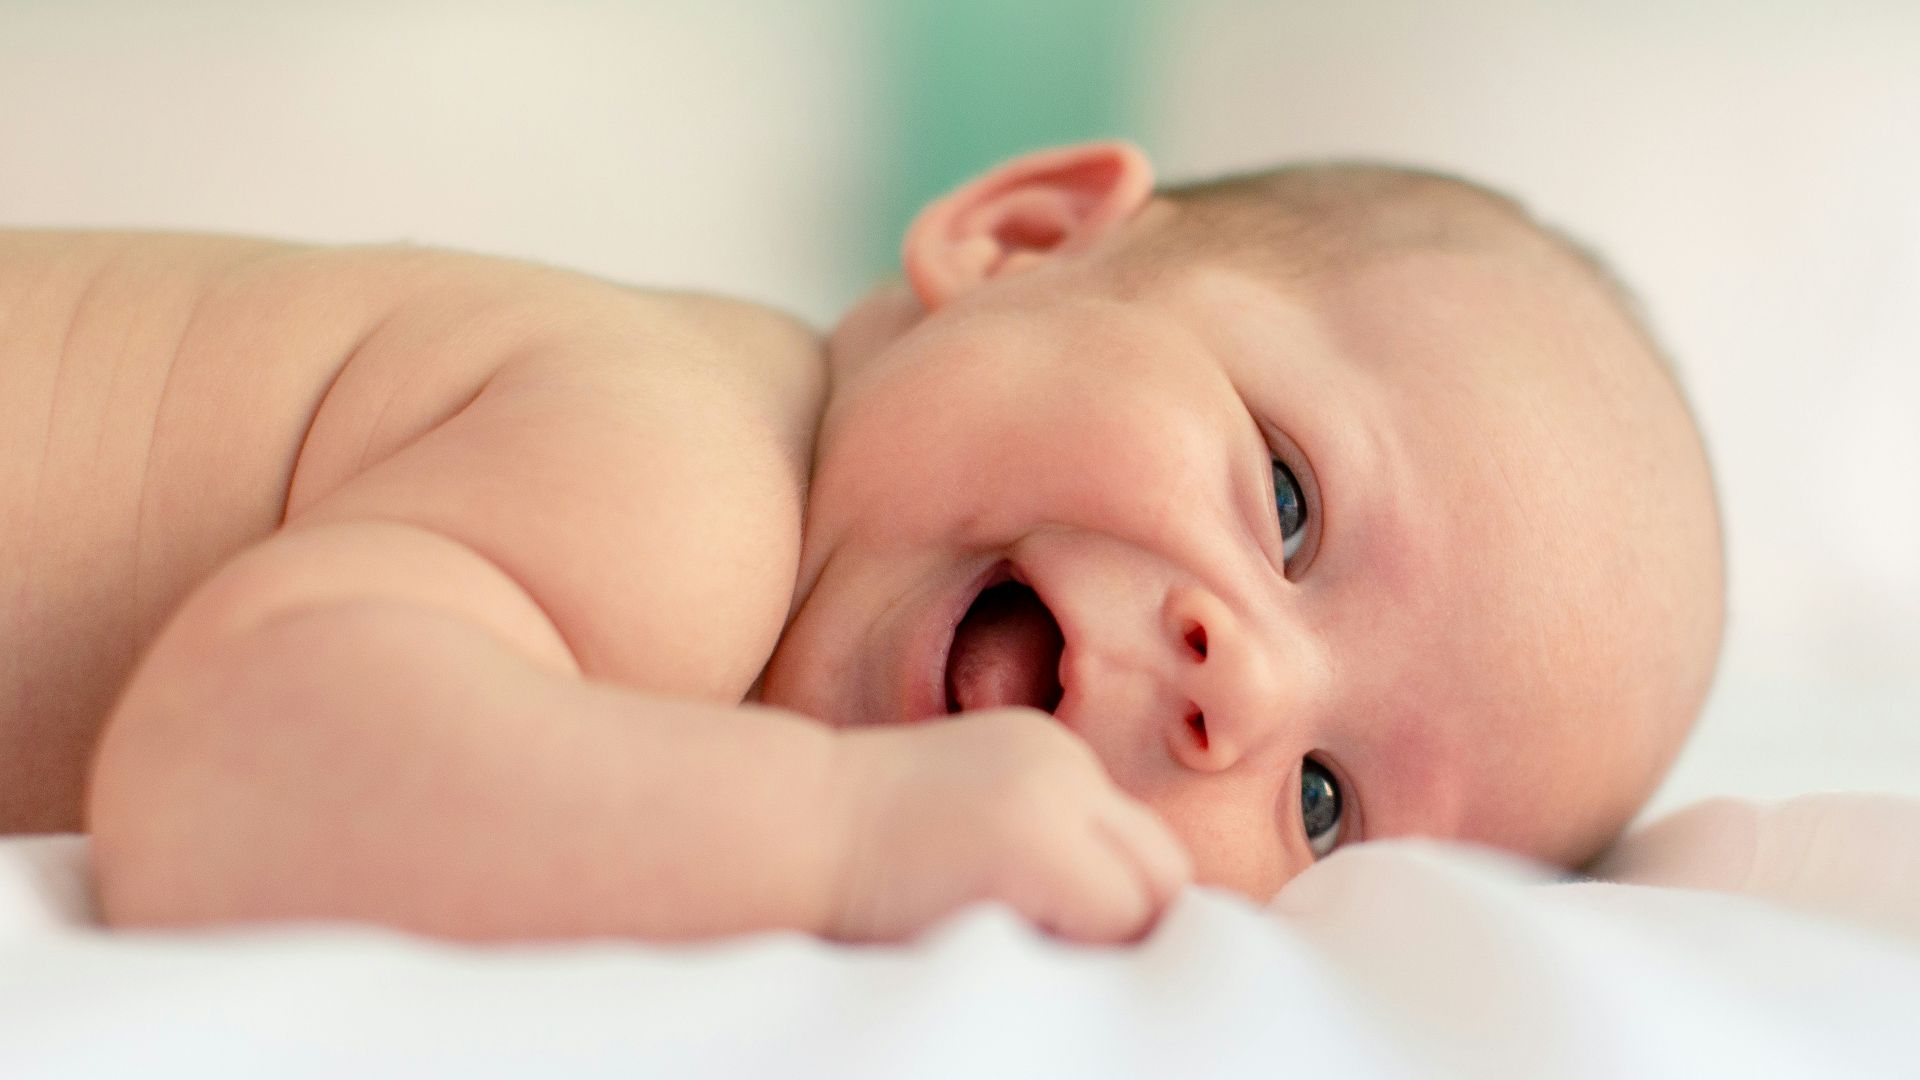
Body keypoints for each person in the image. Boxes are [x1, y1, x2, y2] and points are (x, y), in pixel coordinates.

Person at [1, 141, 1722, 945]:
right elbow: (227, 781)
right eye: (1285, 499)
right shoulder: (688, 477)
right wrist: (835, 837)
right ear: (1021, 236)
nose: (1240, 693)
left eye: (1325, 806)